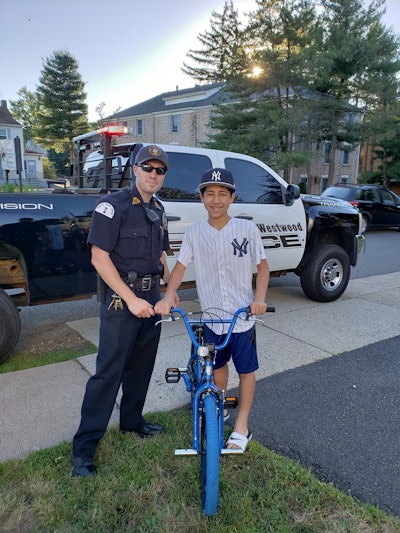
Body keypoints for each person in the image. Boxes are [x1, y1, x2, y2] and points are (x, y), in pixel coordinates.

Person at [72, 144, 178, 477]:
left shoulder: (158, 210)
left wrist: (172, 292)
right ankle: (84, 451)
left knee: (141, 369)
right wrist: (131, 299)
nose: (154, 174)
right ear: (134, 169)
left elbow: (162, 258)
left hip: (152, 301)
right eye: (148, 167)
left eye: (160, 170)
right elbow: (99, 259)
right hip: (122, 304)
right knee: (108, 375)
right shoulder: (112, 206)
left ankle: (132, 423)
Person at [155, 168, 269, 452]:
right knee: (216, 369)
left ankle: (242, 426)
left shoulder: (246, 229)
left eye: (222, 194)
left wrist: (260, 298)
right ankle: (219, 407)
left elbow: (263, 267)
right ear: (202, 198)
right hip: (212, 319)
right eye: (209, 194)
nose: (215, 200)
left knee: (246, 370)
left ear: (232, 198)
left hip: (242, 319)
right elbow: (180, 267)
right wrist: (169, 295)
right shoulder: (195, 233)